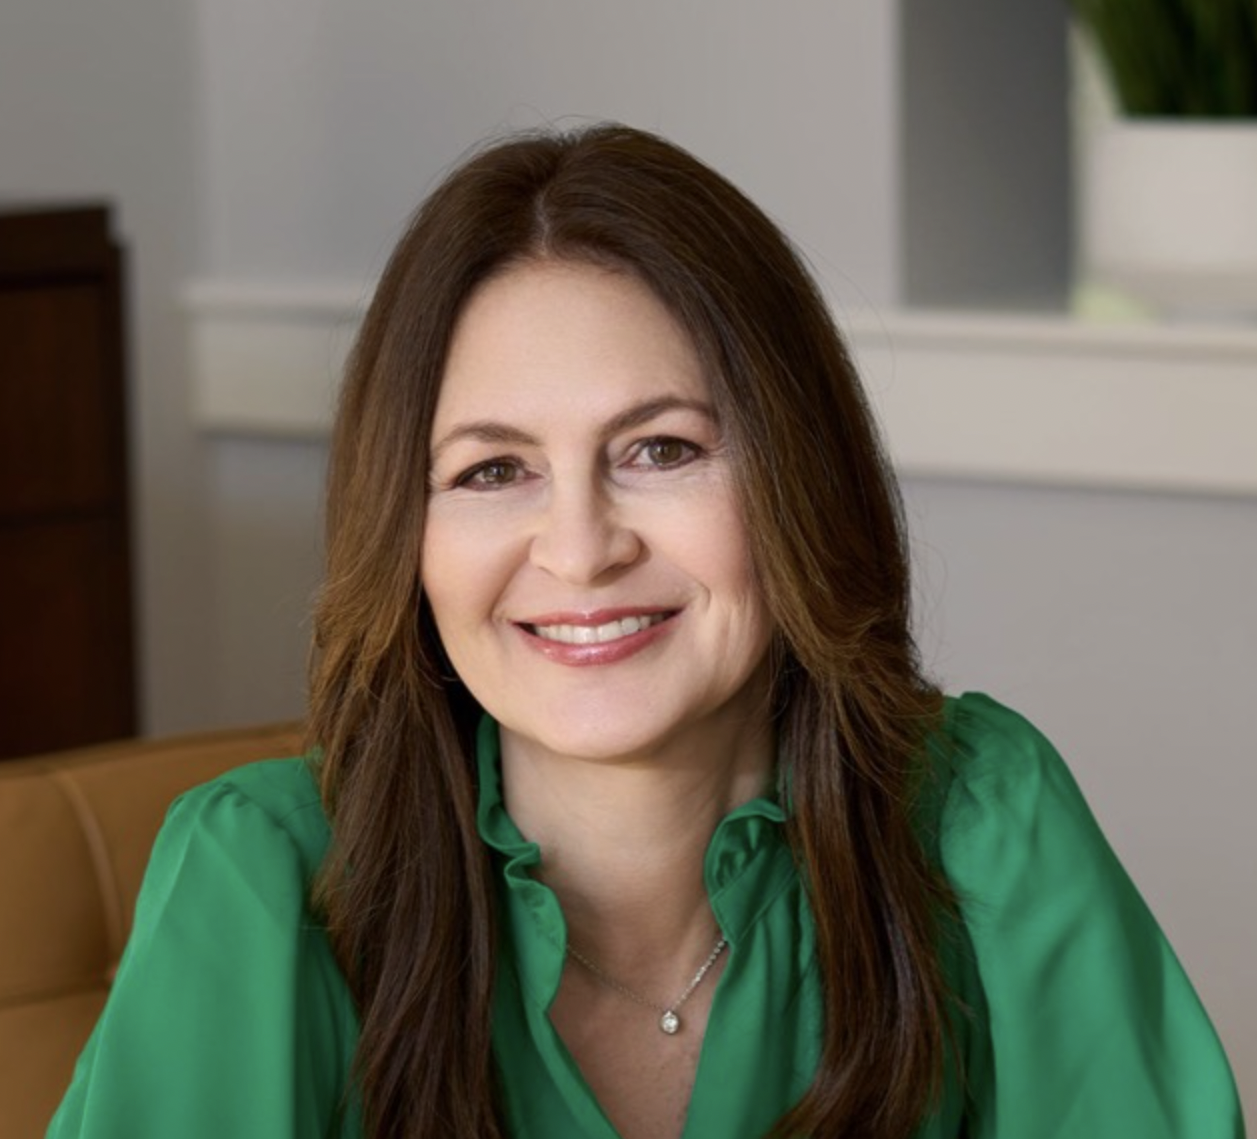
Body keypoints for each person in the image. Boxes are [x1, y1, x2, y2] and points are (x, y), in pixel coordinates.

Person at [49, 124, 1244, 1139]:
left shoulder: (985, 820)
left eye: (660, 449)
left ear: (796, 477)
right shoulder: (259, 880)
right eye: (492, 469)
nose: (580, 547)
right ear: (405, 536)